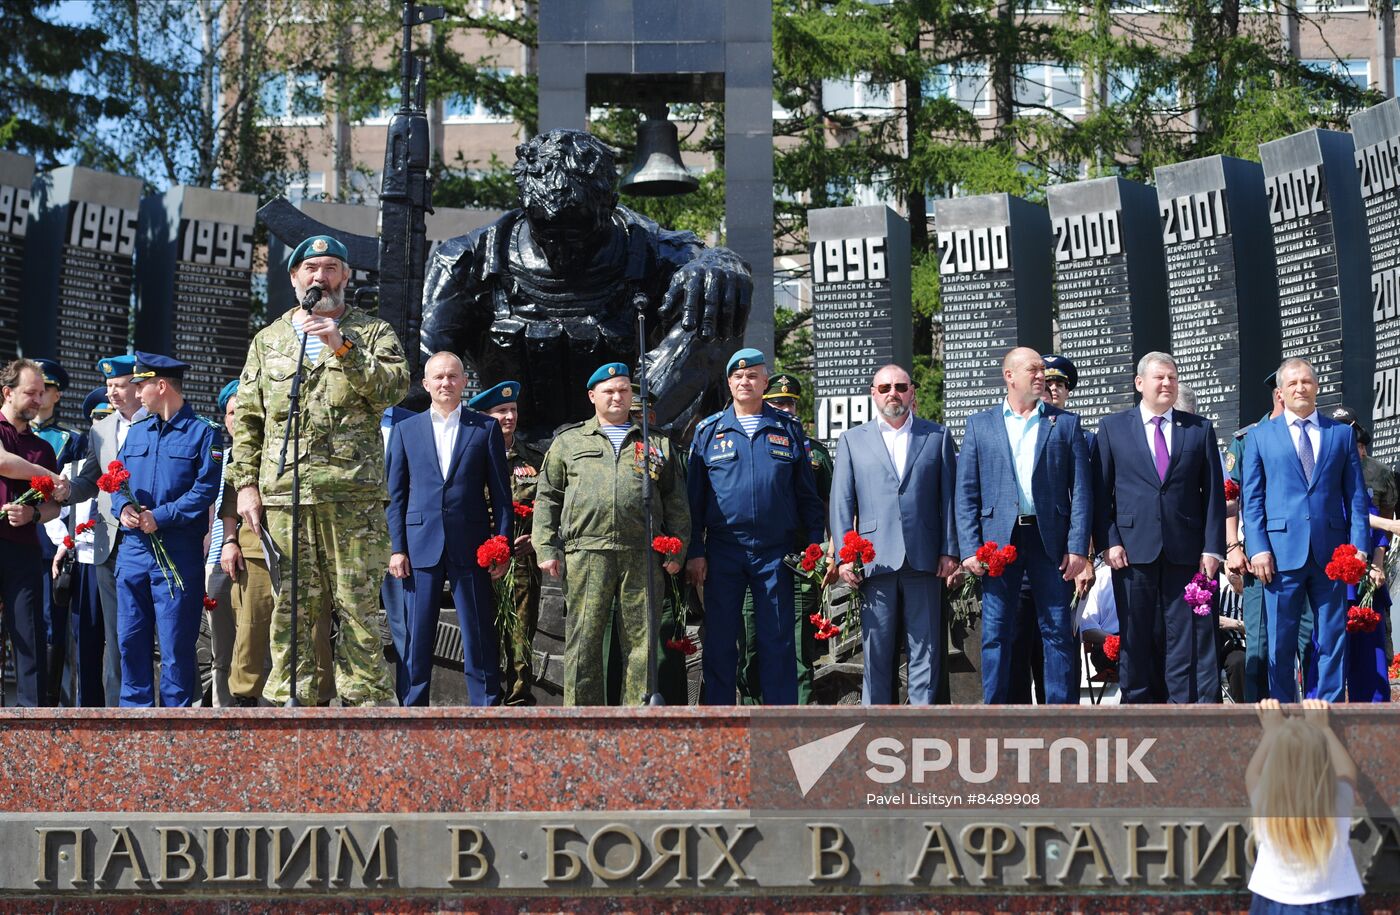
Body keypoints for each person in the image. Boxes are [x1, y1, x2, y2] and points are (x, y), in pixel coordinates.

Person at [230, 234, 408, 706]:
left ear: (346, 277)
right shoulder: (268, 341)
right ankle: (295, 703)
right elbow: (247, 419)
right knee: (291, 607)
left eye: (330, 268)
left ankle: (365, 705)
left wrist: (342, 346)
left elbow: (395, 388)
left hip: (353, 496)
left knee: (358, 607)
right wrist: (246, 487)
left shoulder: (371, 332)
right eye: (310, 269)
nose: (320, 277)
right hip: (287, 495)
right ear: (294, 279)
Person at [532, 362, 690, 705]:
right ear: (593, 397)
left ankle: (637, 713)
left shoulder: (656, 442)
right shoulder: (569, 442)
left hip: (642, 553)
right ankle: (582, 719)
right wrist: (545, 547)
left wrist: (677, 550)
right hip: (587, 551)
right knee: (584, 639)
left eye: (623, 391)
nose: (617, 397)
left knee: (642, 641)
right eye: (609, 391)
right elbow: (547, 497)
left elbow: (676, 501)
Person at [686, 349, 824, 706]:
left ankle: (780, 722)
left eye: (752, 376)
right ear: (729, 383)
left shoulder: (788, 429)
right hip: (723, 550)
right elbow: (693, 502)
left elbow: (807, 497)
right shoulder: (708, 431)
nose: (745, 382)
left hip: (775, 552)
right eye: (738, 377)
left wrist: (813, 546)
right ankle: (720, 721)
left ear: (765, 382)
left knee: (777, 639)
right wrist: (695, 552)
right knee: (719, 640)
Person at [956, 347, 1091, 705]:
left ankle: (1060, 716)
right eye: (1032, 369)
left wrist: (1078, 547)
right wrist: (970, 549)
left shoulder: (1064, 423)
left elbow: (1080, 491)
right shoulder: (980, 425)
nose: (1041, 375)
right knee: (996, 633)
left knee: (1057, 632)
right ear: (1009, 376)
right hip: (998, 543)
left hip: (1049, 542)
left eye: (1042, 371)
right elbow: (966, 491)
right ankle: (996, 715)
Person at [1093, 351, 1226, 704]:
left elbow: (1212, 494)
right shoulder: (1112, 428)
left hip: (1185, 552)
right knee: (1135, 635)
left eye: (1172, 377)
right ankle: (1138, 708)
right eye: (1159, 377)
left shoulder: (1198, 430)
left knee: (1184, 639)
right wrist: (1109, 541)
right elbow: (1101, 493)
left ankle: (1182, 712)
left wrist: (1212, 548)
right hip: (1132, 552)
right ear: (1140, 384)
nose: (1167, 383)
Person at [829, 364, 959, 705]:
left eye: (901, 386)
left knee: (926, 651)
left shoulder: (937, 436)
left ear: (912, 391)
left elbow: (949, 498)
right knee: (876, 654)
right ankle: (877, 731)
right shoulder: (852, 441)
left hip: (925, 559)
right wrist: (845, 557)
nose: (893, 393)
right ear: (873, 393)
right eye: (885, 387)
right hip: (875, 563)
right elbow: (842, 503)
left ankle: (922, 730)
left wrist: (950, 551)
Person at [387, 352, 511, 706]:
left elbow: (501, 496)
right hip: (419, 546)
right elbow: (395, 496)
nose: (446, 383)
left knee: (478, 634)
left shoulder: (483, 428)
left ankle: (486, 708)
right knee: (416, 637)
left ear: (463, 382)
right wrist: (397, 548)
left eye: (453, 376)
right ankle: (412, 711)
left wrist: (500, 544)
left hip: (471, 545)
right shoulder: (405, 430)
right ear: (426, 385)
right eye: (438, 377)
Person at [1241, 357, 1368, 702]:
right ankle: (1283, 714)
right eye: (1293, 383)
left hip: (1332, 555)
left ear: (1317, 387)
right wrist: (1258, 548)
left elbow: (1355, 498)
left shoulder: (1340, 435)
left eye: (1307, 382)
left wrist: (1359, 549)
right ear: (1280, 393)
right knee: (1280, 643)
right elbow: (1251, 501)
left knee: (1331, 637)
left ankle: (1325, 709)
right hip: (1280, 555)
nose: (1301, 388)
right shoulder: (1259, 437)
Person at [109, 353, 221, 707]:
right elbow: (115, 480)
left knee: (175, 643)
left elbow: (205, 489)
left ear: (161, 385)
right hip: (133, 551)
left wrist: (163, 515)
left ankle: (176, 722)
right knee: (130, 639)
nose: (136, 393)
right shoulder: (138, 431)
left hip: (176, 551)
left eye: (141, 386)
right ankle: (134, 716)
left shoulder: (203, 433)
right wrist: (123, 508)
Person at [217, 381, 335, 707]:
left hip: (310, 548)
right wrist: (229, 542)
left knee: (315, 627)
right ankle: (245, 699)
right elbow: (233, 498)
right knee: (251, 628)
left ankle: (320, 699)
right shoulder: (251, 446)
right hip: (257, 549)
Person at [736, 372, 833, 705]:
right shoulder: (748, 443)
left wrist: (827, 553)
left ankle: (799, 718)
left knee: (797, 646)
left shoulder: (816, 454)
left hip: (797, 563)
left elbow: (829, 504)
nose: (786, 409)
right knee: (750, 645)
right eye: (777, 403)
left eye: (790, 403)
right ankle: (752, 716)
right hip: (752, 559)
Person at [1008, 351, 1094, 703]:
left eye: (1060, 384)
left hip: (1061, 557)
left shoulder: (1081, 436)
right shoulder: (1010, 429)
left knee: (1058, 645)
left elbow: (1086, 501)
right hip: (1017, 551)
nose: (1052, 389)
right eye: (1048, 381)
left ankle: (1059, 722)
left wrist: (1085, 556)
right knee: (1015, 641)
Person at [60, 355, 146, 706]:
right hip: (111, 545)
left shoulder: (159, 421)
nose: (112, 393)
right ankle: (117, 712)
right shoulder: (100, 430)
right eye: (109, 386)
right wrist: (64, 489)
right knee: (117, 635)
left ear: (139, 388)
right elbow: (90, 481)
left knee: (154, 633)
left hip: (154, 538)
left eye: (120, 385)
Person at [468, 379, 546, 706]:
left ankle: (517, 701)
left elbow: (551, 502)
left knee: (520, 636)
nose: (509, 417)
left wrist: (538, 537)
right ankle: (487, 700)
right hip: (481, 560)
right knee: (484, 633)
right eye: (500, 411)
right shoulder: (471, 454)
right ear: (486, 416)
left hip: (523, 561)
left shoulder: (534, 458)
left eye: (512, 410)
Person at [1246, 698, 1363, 912]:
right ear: (1323, 763)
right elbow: (1348, 772)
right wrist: (1324, 729)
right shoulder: (1336, 803)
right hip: (1333, 902)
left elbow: (1252, 774)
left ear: (1275, 765)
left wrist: (1271, 733)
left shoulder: (1266, 803)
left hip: (1274, 902)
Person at [0, 359, 62, 706]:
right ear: (8, 393)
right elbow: (3, 462)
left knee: (30, 632)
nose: (39, 400)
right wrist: (48, 475)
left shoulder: (44, 447)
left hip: (23, 550)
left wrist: (33, 513)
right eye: (31, 392)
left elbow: (54, 507)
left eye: (41, 393)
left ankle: (32, 719)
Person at [1227, 372, 1286, 702]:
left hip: (1302, 552)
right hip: (1256, 553)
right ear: (1279, 394)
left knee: (1305, 640)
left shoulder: (1314, 434)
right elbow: (1230, 497)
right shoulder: (1248, 439)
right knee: (1259, 643)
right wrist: (1233, 546)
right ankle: (1257, 719)